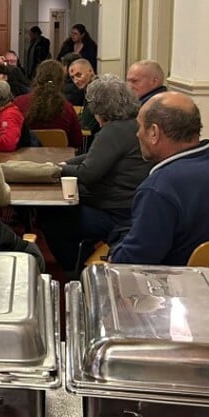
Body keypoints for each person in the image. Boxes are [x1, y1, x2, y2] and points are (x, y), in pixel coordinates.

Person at [108, 92, 209, 265]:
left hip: (184, 286)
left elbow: (130, 262)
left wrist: (114, 251)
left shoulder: (159, 188)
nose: (137, 134)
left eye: (140, 127)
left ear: (154, 132)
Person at [37, 76, 153, 273]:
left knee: (51, 217)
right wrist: (66, 163)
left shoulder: (112, 132)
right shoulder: (133, 124)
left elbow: (88, 173)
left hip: (114, 213)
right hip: (132, 207)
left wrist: (59, 169)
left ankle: (76, 269)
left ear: (99, 107)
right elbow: (93, 158)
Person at [15, 59, 84, 149]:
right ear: (61, 81)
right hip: (58, 159)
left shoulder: (19, 103)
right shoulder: (67, 108)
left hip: (25, 158)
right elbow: (77, 141)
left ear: (37, 77)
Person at [68, 58, 99, 134]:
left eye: (79, 75)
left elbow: (85, 125)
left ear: (90, 71)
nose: (75, 81)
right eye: (72, 77)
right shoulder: (91, 87)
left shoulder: (95, 90)